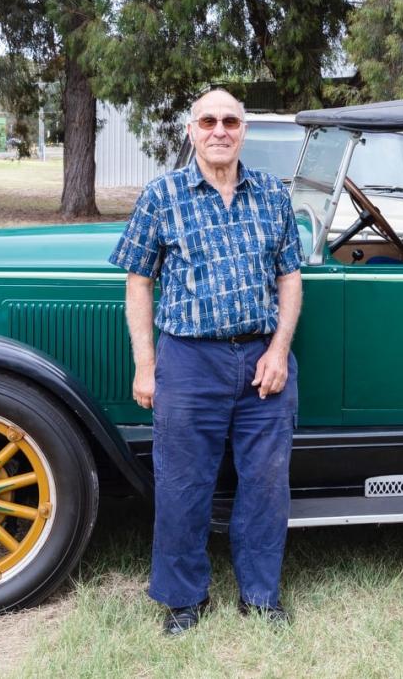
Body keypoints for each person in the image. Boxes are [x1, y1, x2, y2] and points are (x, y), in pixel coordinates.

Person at [110, 89, 303, 635]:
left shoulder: (272, 195)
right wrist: (146, 366)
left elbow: (290, 276)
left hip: (263, 360)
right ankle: (183, 600)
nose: (221, 130)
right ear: (191, 130)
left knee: (266, 484)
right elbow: (139, 281)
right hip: (189, 360)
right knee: (182, 484)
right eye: (209, 121)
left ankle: (261, 596)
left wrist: (280, 350)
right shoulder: (162, 195)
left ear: (244, 131)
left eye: (231, 121)